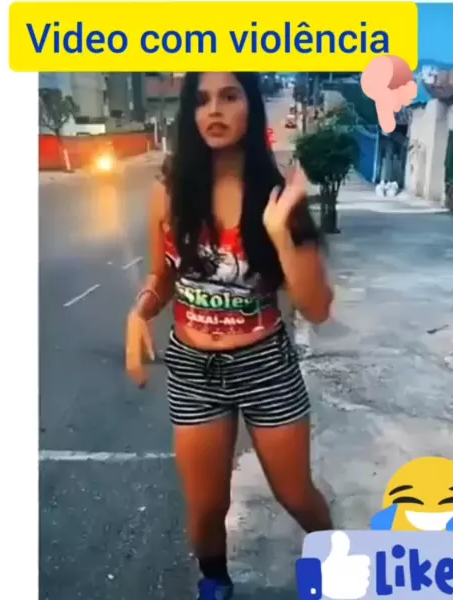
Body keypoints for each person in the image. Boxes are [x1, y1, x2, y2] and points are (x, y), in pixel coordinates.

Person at [126, 72, 333, 600]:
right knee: (205, 509)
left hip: (265, 365)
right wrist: (140, 311)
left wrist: (281, 233)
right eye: (201, 100)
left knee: (296, 495)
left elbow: (316, 307)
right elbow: (162, 278)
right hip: (194, 370)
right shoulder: (170, 192)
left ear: (250, 106)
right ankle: (215, 583)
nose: (214, 110)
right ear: (189, 115)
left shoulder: (279, 196)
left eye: (229, 96)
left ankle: (343, 563)